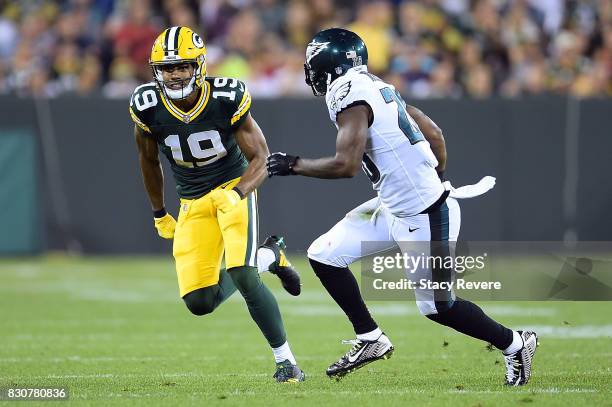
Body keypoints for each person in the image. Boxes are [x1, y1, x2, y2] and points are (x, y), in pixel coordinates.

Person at [267, 28, 537, 385]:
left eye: (313, 65)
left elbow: (346, 165)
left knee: (439, 307)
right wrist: (433, 175)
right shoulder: (374, 85)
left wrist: (293, 164)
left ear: (328, 67)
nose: (310, 73)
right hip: (394, 207)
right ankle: (370, 338)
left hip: (425, 214)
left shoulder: (347, 93)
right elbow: (435, 133)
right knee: (323, 254)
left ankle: (516, 343)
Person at [129, 26, 305, 382]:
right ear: (156, 70)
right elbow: (148, 161)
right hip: (191, 200)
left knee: (242, 272)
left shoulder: (224, 97)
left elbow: (262, 158)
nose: (174, 74)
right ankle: (271, 256)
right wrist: (159, 211)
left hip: (232, 187)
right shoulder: (146, 105)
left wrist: (238, 192)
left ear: (200, 65)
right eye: (167, 68)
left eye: (182, 66)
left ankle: (287, 363)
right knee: (199, 302)